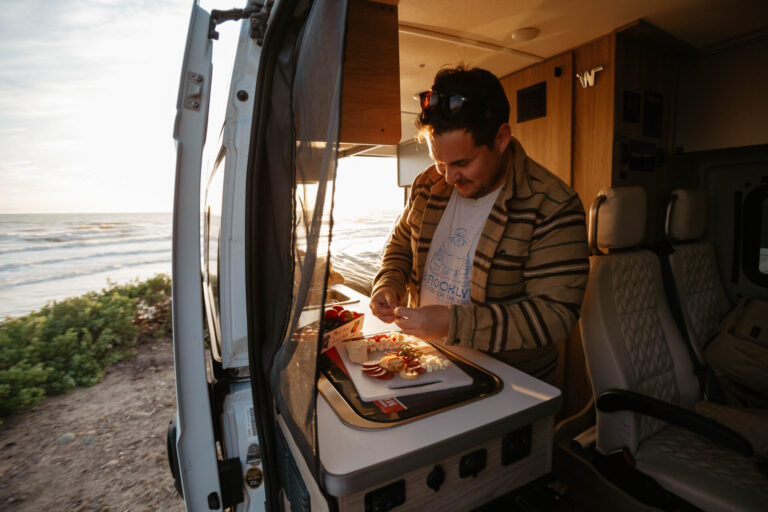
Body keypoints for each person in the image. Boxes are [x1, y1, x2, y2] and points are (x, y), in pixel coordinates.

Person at [369, 65, 589, 384]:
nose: (448, 176)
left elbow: (554, 316)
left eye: (462, 163)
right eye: (439, 161)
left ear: (501, 139)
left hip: (507, 384)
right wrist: (388, 283)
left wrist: (452, 324)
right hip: (427, 364)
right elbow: (401, 245)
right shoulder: (427, 185)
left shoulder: (552, 205)